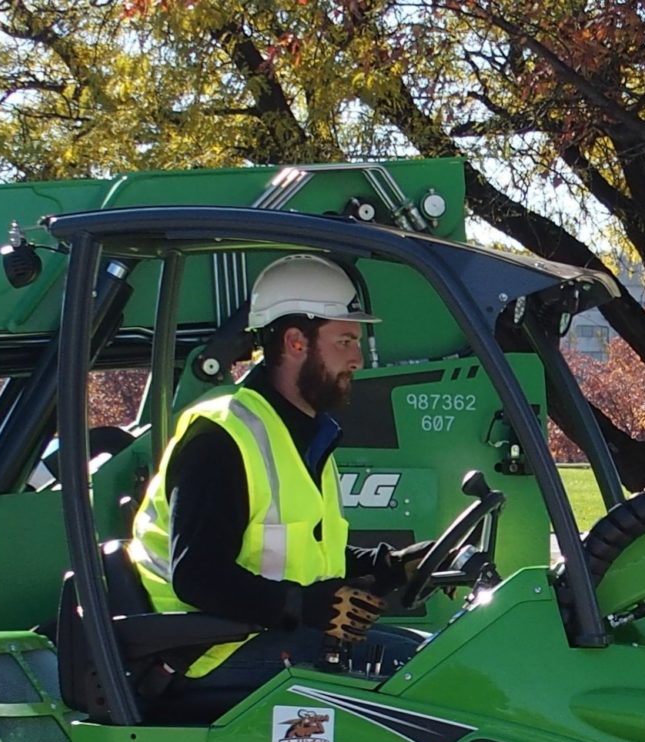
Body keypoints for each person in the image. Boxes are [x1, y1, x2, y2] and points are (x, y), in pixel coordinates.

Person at [129, 254, 428, 694]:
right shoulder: (224, 436)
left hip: (256, 634)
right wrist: (304, 607)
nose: (358, 359)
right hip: (202, 652)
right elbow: (197, 576)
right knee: (415, 676)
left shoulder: (302, 434)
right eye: (345, 341)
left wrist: (389, 566)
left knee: (428, 656)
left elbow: (307, 551)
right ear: (295, 342)